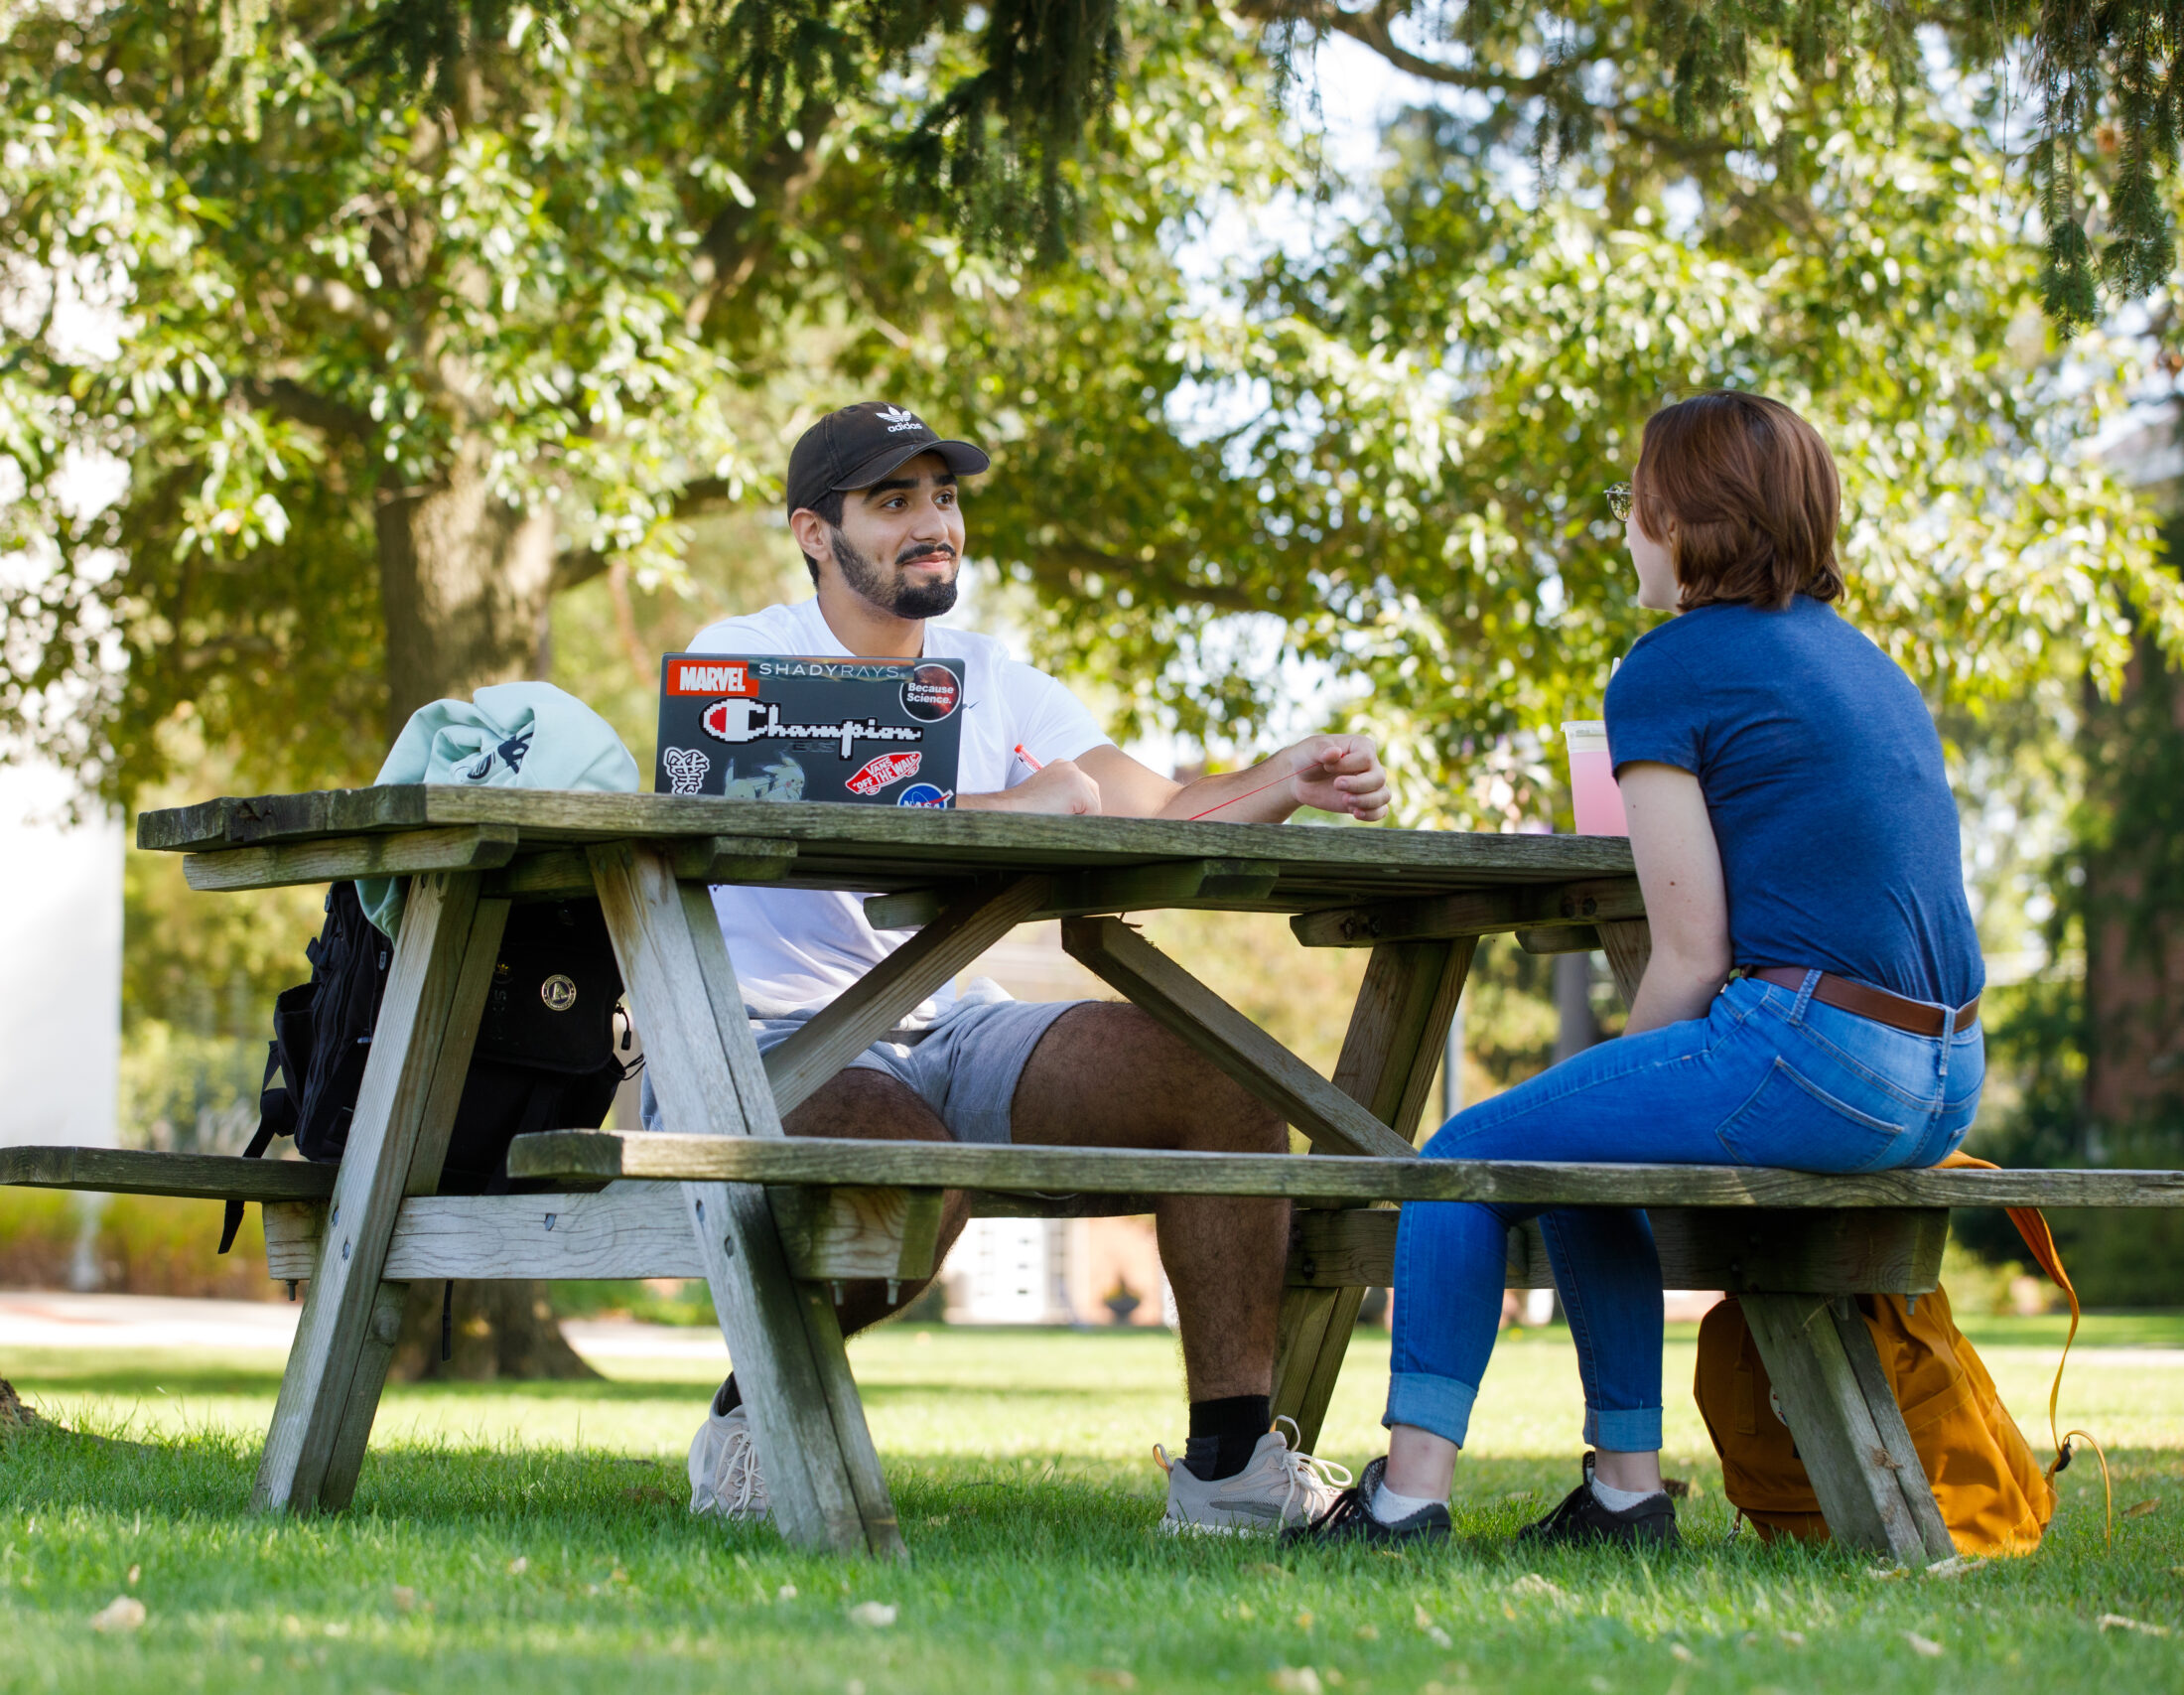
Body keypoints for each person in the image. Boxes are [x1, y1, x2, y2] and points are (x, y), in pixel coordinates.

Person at [665, 401, 1395, 1534]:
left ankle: (1230, 1471)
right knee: (922, 1175)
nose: (932, 524)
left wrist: (1286, 777)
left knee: (1228, 1085)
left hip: (952, 1030)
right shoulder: (741, 658)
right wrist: (1011, 803)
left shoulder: (988, 674)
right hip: (759, 1042)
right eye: (893, 502)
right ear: (816, 534)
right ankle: (749, 1416)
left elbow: (1155, 805)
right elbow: (743, 796)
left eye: (943, 498)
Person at [1289, 391, 1987, 1550]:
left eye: (1635, 501)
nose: (1626, 525)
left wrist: (1625, 1066)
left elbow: (1691, 954)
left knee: (1461, 1151)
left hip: (1818, 1057)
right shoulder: (1861, 661)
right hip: (1941, 1075)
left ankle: (1403, 1501)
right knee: (1579, 1145)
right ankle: (1623, 1496)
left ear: (1688, 514)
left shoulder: (1667, 671)